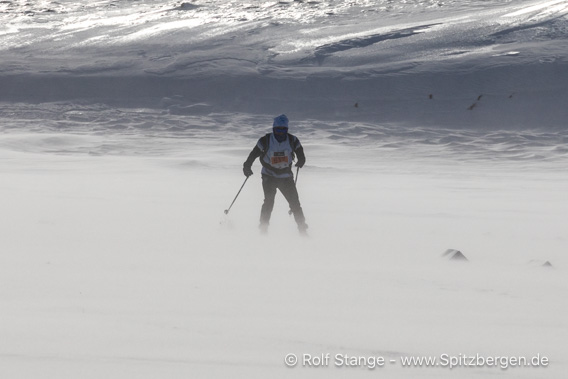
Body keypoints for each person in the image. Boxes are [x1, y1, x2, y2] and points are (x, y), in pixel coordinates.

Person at [243, 114, 308, 235]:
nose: (280, 132)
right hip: (269, 176)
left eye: (283, 130)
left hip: (286, 177)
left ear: (287, 130)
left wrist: (301, 161)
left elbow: (300, 153)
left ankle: (302, 229)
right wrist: (247, 166)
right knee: (269, 202)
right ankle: (263, 228)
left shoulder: (293, 140)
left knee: (295, 203)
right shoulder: (265, 140)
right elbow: (253, 154)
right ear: (274, 129)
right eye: (278, 129)